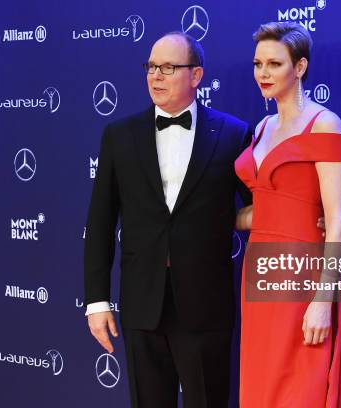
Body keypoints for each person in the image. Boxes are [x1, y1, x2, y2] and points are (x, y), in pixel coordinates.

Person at [83, 32, 253, 407]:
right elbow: (99, 223)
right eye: (151, 67)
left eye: (168, 68)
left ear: (196, 76)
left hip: (206, 304)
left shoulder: (233, 133)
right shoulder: (119, 135)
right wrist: (96, 302)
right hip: (142, 303)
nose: (155, 76)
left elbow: (260, 207)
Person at [235, 22, 341, 407]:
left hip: (303, 277)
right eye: (258, 64)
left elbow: (337, 219)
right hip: (258, 275)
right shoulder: (261, 127)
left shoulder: (324, 123)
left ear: (301, 67)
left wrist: (322, 300)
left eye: (274, 64)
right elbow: (261, 212)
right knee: (263, 384)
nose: (263, 73)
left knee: (301, 388)